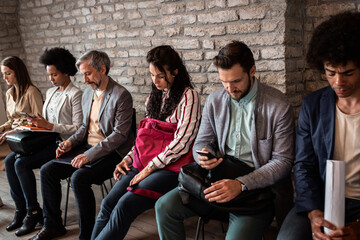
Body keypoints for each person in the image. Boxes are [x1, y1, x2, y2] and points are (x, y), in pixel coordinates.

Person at [155, 41, 295, 240]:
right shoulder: (215, 100)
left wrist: (241, 184)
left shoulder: (278, 106)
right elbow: (200, 142)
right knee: (164, 207)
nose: (229, 88)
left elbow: (283, 162)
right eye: (224, 81)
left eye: (236, 81)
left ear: (252, 71)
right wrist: (203, 155)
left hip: (256, 192)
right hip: (216, 181)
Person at [91, 45, 201, 240]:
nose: (155, 81)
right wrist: (128, 158)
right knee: (108, 203)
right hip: (144, 162)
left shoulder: (188, 96)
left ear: (175, 72)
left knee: (126, 204)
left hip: (170, 167)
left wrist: (150, 168)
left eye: (160, 76)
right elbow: (144, 138)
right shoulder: (153, 97)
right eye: (152, 75)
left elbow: (183, 141)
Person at [29, 50, 134, 240]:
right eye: (83, 74)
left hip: (113, 154)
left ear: (102, 69)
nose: (84, 79)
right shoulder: (88, 93)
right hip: (87, 148)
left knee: (79, 178)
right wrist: (70, 142)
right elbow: (84, 127)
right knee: (47, 170)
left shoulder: (121, 95)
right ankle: (53, 225)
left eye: (88, 73)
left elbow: (120, 135)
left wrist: (89, 155)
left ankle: (86, 236)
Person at [277, 11, 360, 240]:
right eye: (330, 73)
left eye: (348, 73)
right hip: (322, 199)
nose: (338, 82)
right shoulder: (313, 105)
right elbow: (304, 165)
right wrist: (314, 213)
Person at [4, 48, 83, 236]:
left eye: (54, 75)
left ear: (66, 72)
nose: (51, 79)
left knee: (21, 163)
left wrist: (49, 125)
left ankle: (33, 212)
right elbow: (46, 123)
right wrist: (35, 122)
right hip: (46, 140)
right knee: (9, 160)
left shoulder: (75, 94)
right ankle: (22, 209)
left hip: (65, 143)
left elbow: (79, 128)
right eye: (49, 75)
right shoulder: (51, 93)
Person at [0, 56, 43, 170]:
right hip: (15, 136)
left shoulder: (31, 92)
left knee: (10, 161)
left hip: (29, 136)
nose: (4, 77)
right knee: (8, 161)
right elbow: (11, 120)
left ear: (18, 72)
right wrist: (3, 128)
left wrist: (15, 131)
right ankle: (15, 189)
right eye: (3, 74)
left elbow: (39, 121)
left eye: (8, 73)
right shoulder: (9, 93)